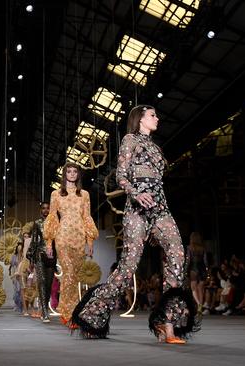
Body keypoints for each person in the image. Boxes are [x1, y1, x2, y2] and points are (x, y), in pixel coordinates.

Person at [71, 105, 200, 344]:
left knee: (178, 254)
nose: (157, 118)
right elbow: (121, 175)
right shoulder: (130, 140)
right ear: (140, 119)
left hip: (160, 207)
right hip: (138, 209)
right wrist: (135, 192)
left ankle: (168, 322)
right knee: (128, 266)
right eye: (153, 115)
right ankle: (92, 313)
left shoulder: (156, 147)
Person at [44, 162, 98, 326]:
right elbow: (52, 218)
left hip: (79, 237)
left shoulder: (85, 195)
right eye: (69, 171)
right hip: (63, 237)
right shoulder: (56, 194)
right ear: (65, 174)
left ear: (78, 174)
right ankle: (70, 313)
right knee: (68, 273)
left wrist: (90, 241)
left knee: (74, 277)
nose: (72, 174)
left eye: (75, 171)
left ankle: (66, 310)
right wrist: (48, 243)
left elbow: (87, 218)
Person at [30, 202, 56, 323]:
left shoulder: (56, 222)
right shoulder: (37, 223)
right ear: (41, 210)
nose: (46, 210)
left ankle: (43, 308)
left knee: (49, 285)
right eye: (43, 208)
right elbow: (34, 241)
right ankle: (45, 312)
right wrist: (31, 259)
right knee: (42, 282)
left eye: (48, 208)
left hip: (52, 256)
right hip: (40, 254)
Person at [187, 232, 208, 314]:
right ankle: (200, 306)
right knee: (200, 289)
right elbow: (205, 261)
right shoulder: (203, 248)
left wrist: (186, 270)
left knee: (193, 289)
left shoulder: (189, 248)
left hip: (193, 268)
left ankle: (199, 304)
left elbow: (188, 260)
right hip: (202, 268)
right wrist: (207, 270)